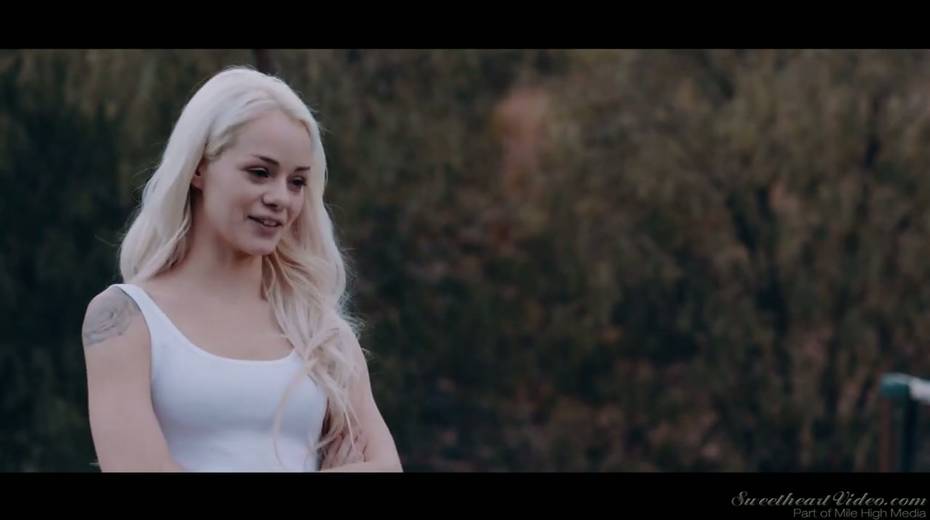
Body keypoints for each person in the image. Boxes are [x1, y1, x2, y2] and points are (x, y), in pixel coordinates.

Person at [80, 66, 402, 472]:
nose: (280, 198)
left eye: (297, 182)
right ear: (199, 168)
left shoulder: (321, 333)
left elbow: (387, 467)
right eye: (260, 173)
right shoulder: (126, 320)